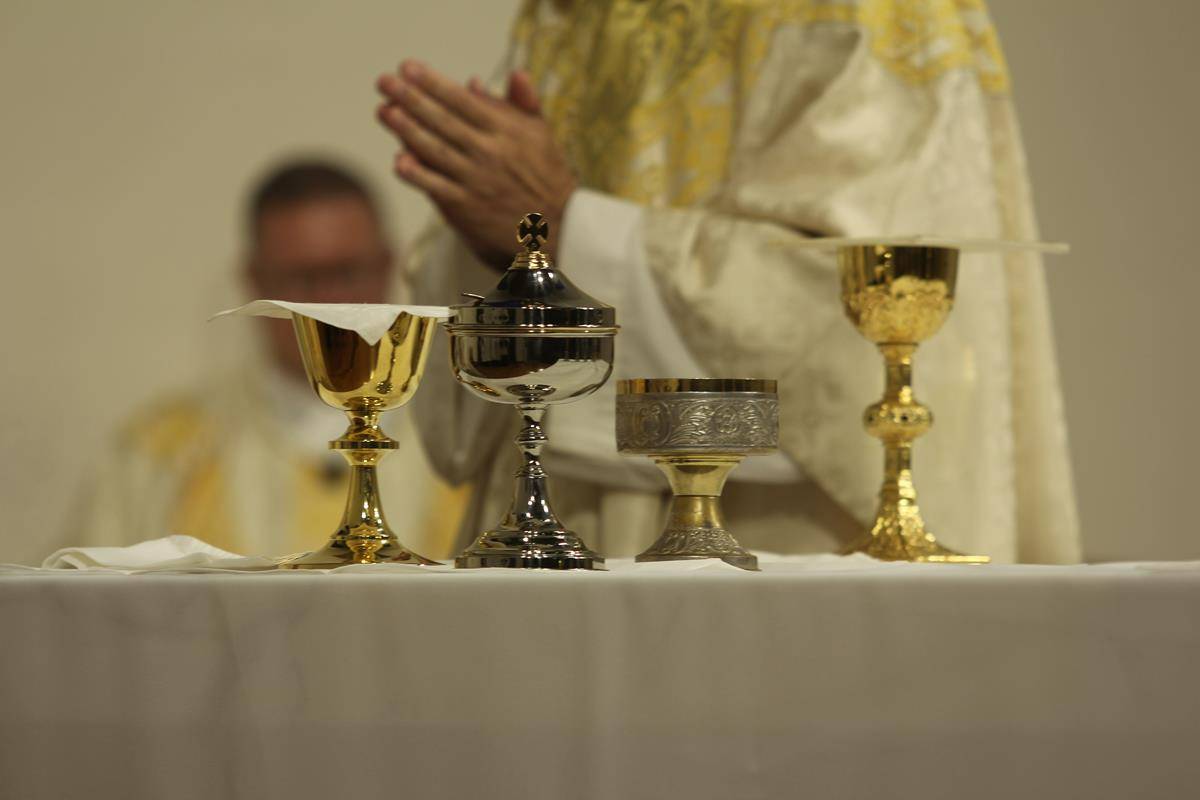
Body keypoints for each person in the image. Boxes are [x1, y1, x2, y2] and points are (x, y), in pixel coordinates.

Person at [374, 0, 1080, 563]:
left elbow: (857, 298)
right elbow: (512, 224)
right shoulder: (571, 11)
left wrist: (571, 230)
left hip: (786, 547)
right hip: (557, 529)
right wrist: (491, 233)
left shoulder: (873, 13)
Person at [65, 160, 467, 561]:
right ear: (255, 281)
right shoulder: (161, 454)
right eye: (303, 280)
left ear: (387, 266)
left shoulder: (466, 447)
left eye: (348, 273)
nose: (329, 305)